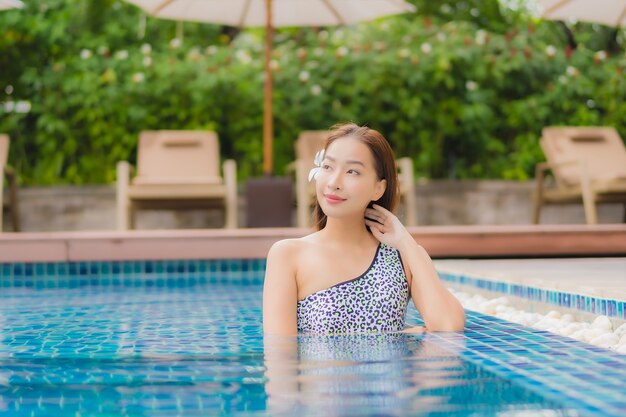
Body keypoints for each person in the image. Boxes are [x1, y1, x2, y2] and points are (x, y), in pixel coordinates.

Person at [263, 123, 465, 336]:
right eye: (328, 167)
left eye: (352, 171)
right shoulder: (288, 255)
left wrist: (406, 243)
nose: (333, 182)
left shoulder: (401, 256)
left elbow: (448, 326)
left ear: (379, 188)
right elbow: (280, 354)